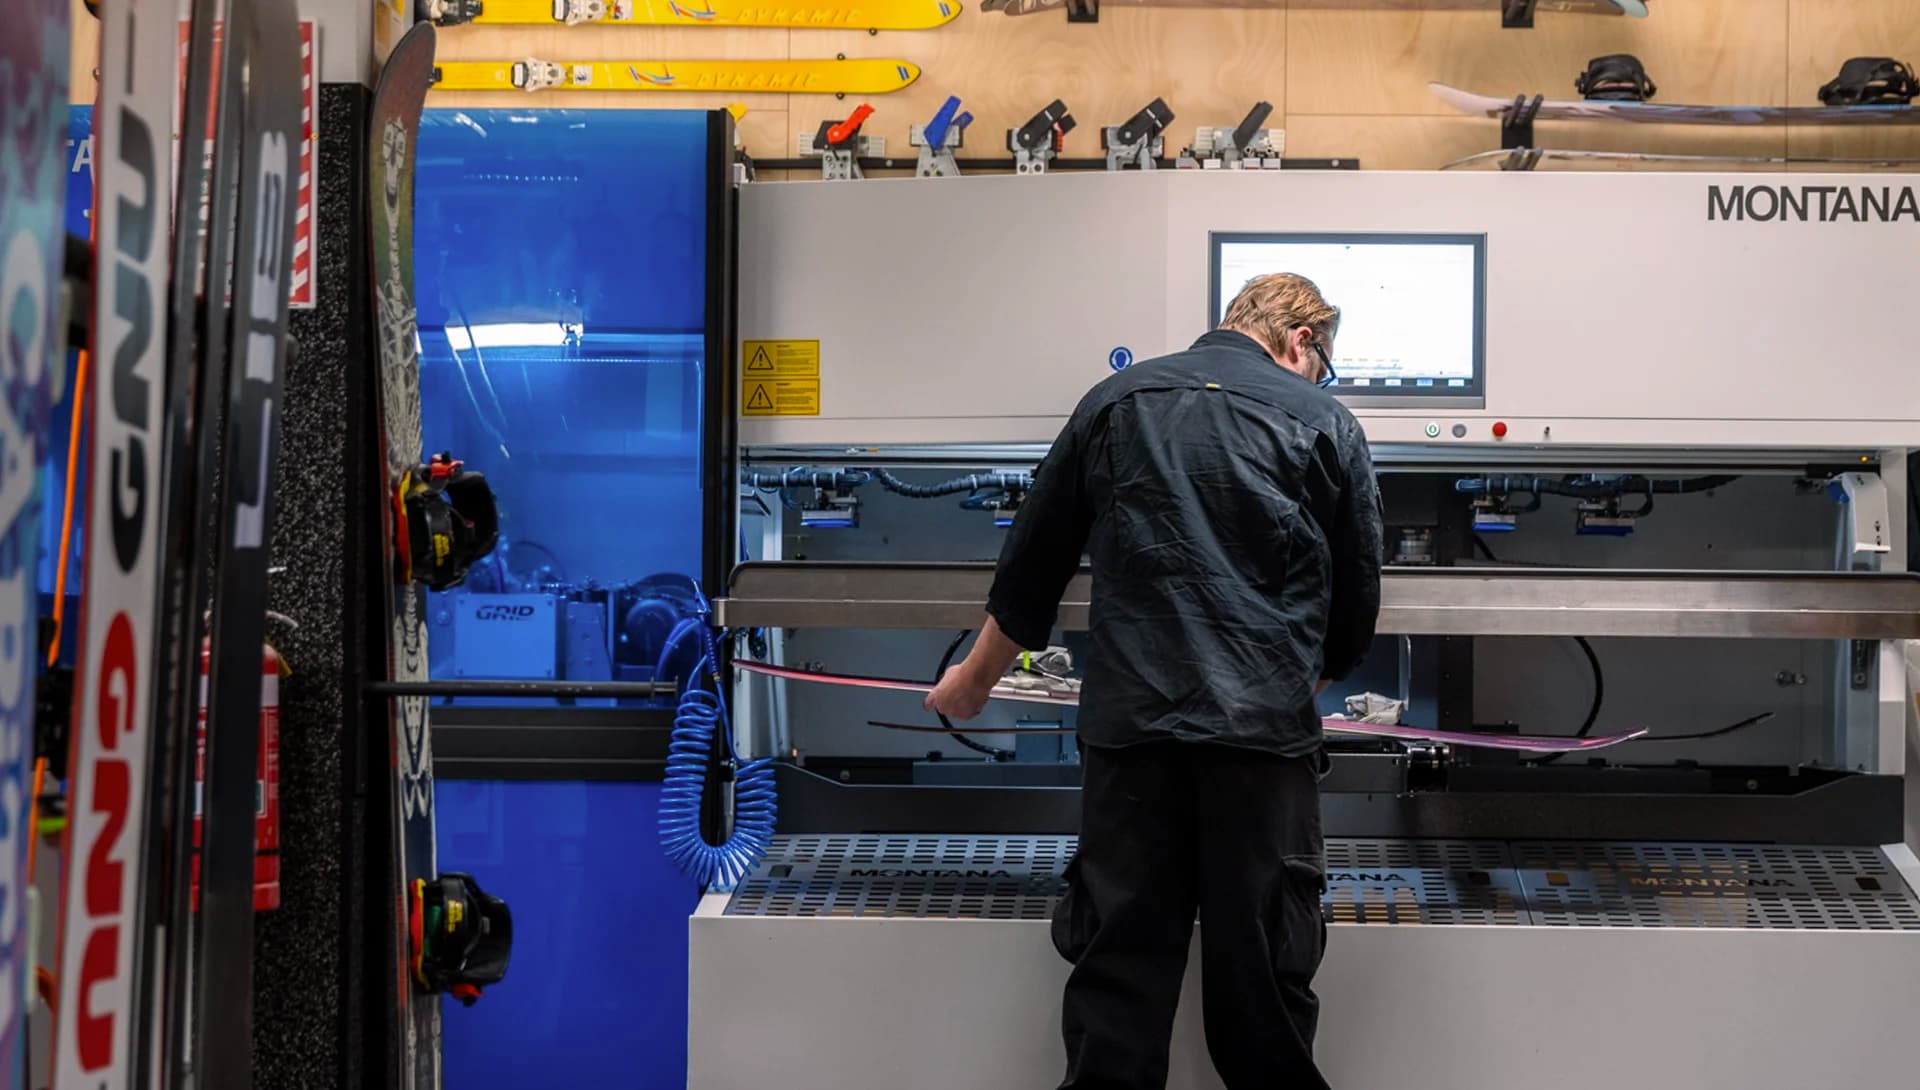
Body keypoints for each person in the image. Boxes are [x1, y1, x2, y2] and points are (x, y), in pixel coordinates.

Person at [924, 272, 1384, 1090]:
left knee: (1118, 1000)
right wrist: (1290, 687)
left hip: (1131, 743)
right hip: (1258, 752)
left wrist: (971, 684)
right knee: (1264, 1007)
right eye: (1322, 363)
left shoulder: (1113, 401)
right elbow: (1354, 607)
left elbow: (1030, 570)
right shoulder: (1324, 420)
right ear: (1301, 340)